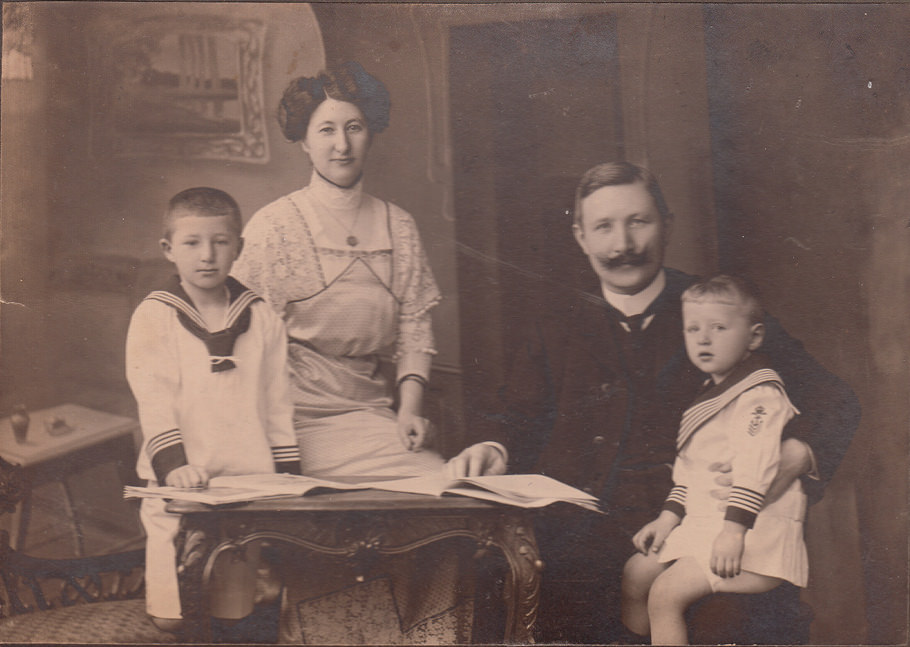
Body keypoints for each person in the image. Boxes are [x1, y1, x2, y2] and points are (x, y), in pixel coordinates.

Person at [447, 161, 860, 643]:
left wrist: (796, 456)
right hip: (578, 549)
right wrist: (493, 446)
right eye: (603, 227)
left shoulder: (721, 311)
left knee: (728, 624)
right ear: (580, 236)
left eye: (638, 222)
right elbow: (516, 415)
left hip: (697, 538)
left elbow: (836, 400)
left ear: (667, 223)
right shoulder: (554, 323)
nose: (622, 245)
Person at [231, 62, 472, 643]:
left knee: (448, 507)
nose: (342, 144)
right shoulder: (275, 226)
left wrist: (410, 410)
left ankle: (423, 638)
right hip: (294, 423)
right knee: (330, 537)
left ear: (372, 132)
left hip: (371, 415)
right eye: (326, 130)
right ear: (305, 140)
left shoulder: (400, 226)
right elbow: (241, 340)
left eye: (355, 127)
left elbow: (415, 329)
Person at [126, 187, 300, 632]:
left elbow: (278, 404)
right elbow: (153, 397)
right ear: (168, 249)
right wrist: (175, 466)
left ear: (238, 247)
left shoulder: (261, 318)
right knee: (173, 617)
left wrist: (286, 474)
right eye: (192, 243)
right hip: (184, 482)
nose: (208, 255)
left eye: (221, 242)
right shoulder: (155, 315)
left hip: (246, 483)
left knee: (237, 613)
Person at [622, 275, 808, 645]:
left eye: (719, 328)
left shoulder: (759, 394)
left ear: (753, 337)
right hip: (707, 527)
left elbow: (756, 467)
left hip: (754, 537)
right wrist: (666, 518)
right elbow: (689, 473)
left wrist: (734, 532)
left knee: (665, 594)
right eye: (693, 328)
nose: (703, 338)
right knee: (635, 573)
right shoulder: (710, 394)